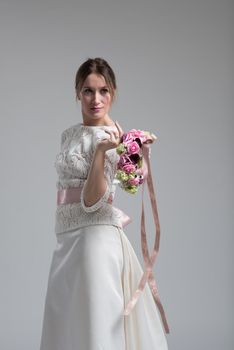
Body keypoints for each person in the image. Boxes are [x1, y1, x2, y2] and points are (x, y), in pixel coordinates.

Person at [39, 57, 169, 350]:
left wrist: (101, 151)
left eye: (103, 91)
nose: (96, 99)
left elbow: (91, 201)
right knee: (68, 324)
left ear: (113, 93)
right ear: (77, 92)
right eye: (88, 90)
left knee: (95, 322)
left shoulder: (116, 141)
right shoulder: (69, 135)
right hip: (66, 241)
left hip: (95, 243)